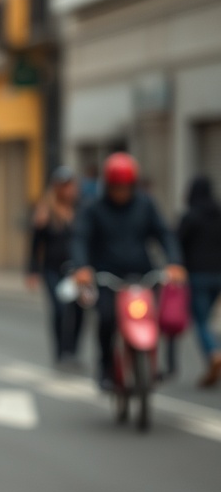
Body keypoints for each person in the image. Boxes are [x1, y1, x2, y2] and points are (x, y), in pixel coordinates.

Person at [72, 152, 185, 391]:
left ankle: (161, 365)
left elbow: (164, 233)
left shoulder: (145, 204)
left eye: (126, 187)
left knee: (163, 315)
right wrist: (82, 267)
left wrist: (174, 262)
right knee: (106, 319)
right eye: (117, 187)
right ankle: (105, 368)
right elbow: (80, 239)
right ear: (108, 186)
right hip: (108, 278)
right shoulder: (93, 209)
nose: (121, 192)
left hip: (143, 275)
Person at [26, 166, 84, 366]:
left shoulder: (81, 209)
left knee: (79, 311)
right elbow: (36, 244)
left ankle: (72, 351)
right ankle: (60, 351)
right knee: (60, 310)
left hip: (76, 270)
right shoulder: (45, 211)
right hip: (52, 268)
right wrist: (32, 270)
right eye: (64, 186)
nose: (68, 190)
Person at [177, 175, 221, 387]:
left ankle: (214, 354)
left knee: (201, 321)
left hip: (197, 275)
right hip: (218, 275)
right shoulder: (218, 213)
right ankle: (214, 353)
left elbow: (177, 243)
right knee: (209, 319)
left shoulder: (191, 216)